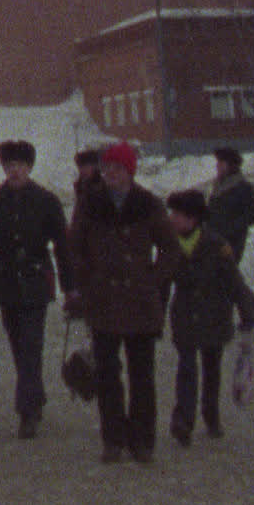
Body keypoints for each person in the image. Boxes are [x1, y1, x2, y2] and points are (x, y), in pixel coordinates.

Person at [66, 141, 181, 464]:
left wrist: (152, 280)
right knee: (106, 373)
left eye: (117, 168)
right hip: (103, 301)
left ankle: (142, 440)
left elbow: (170, 250)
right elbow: (74, 246)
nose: (110, 174)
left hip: (139, 303)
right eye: (107, 169)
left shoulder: (148, 204)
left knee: (142, 374)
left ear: (129, 170)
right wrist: (86, 281)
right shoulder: (91, 203)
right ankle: (112, 438)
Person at [0, 139, 71, 439]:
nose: (14, 171)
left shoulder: (46, 201)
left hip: (35, 279)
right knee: (17, 344)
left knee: (31, 344)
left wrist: (70, 286)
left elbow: (62, 246)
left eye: (20, 165)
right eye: (9, 166)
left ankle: (27, 410)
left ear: (29, 167)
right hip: (6, 280)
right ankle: (34, 396)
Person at [161, 188, 254, 446]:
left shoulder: (217, 246)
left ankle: (211, 415)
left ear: (193, 219)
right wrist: (154, 316)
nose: (172, 218)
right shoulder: (169, 244)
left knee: (211, 369)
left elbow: (235, 282)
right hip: (184, 316)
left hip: (214, 315)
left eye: (178, 214)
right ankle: (183, 420)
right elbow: (160, 283)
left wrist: (248, 311)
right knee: (186, 368)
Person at [207, 146, 254, 263]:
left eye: (221, 162)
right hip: (213, 241)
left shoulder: (243, 188)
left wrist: (230, 228)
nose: (217, 166)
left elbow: (252, 215)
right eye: (218, 162)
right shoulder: (217, 187)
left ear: (231, 165)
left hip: (232, 243)